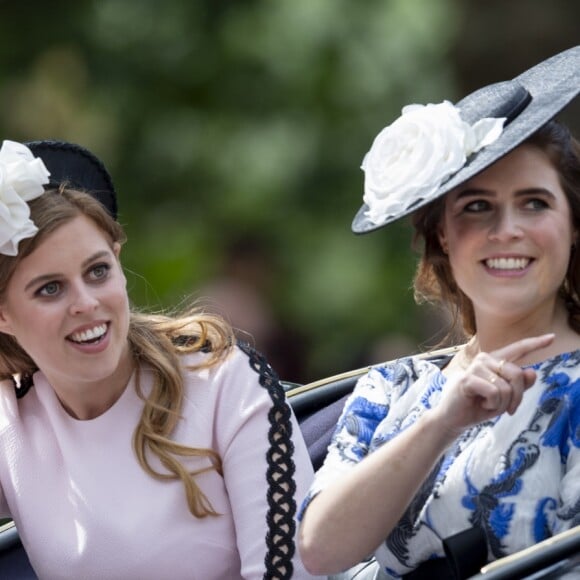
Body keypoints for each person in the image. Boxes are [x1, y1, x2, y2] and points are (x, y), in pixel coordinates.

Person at [298, 45, 580, 579]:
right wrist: (442, 421)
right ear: (442, 236)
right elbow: (318, 551)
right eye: (477, 207)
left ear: (573, 225)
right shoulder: (390, 388)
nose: (507, 230)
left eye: (535, 203)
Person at [0, 139, 319, 579]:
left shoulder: (222, 380)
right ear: (3, 315)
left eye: (97, 271)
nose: (86, 303)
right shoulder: (10, 422)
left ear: (117, 260)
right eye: (50, 289)